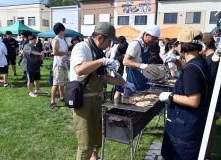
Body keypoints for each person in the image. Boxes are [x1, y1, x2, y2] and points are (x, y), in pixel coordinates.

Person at [70, 22, 134, 160]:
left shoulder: (97, 51)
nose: (110, 45)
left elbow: (103, 77)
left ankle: (95, 157)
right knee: (86, 142)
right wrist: (102, 61)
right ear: (100, 38)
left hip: (98, 98)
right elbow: (79, 69)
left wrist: (124, 83)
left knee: (98, 136)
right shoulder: (81, 47)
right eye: (110, 41)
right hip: (84, 100)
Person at [159, 27, 211, 160]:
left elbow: (193, 101)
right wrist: (178, 61)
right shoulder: (201, 62)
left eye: (177, 44)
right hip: (195, 121)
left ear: (182, 46)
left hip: (185, 127)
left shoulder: (191, 70)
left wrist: (170, 96)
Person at [123, 24, 161, 96]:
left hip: (141, 80)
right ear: (146, 35)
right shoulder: (135, 44)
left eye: (156, 39)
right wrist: (141, 65)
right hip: (131, 81)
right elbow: (125, 61)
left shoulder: (146, 45)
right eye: (153, 39)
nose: (154, 41)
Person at [50, 23, 70, 108]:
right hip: (58, 65)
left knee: (62, 82)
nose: (64, 31)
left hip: (63, 63)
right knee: (56, 83)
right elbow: (54, 52)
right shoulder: (56, 40)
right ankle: (52, 101)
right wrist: (67, 53)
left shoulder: (62, 39)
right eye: (63, 30)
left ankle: (62, 97)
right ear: (60, 31)